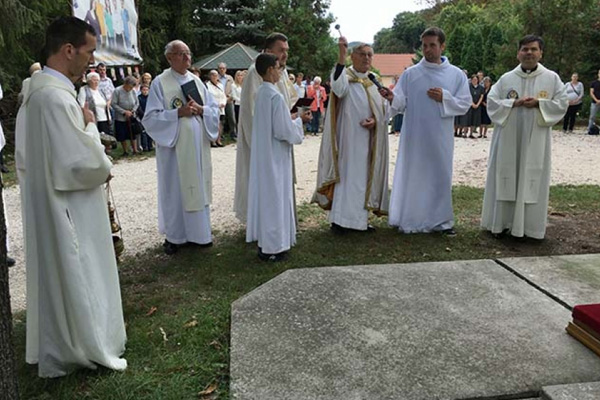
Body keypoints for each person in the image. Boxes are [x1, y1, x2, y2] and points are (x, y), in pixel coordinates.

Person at [21, 16, 127, 378]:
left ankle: (70, 339)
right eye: (89, 52)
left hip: (54, 202)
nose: (91, 61)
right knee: (80, 270)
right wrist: (91, 127)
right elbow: (80, 164)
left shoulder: (38, 92)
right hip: (70, 206)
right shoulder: (54, 99)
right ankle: (87, 344)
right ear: (68, 50)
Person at [379, 27, 471, 235]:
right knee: (415, 174)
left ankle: (441, 221)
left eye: (432, 45)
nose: (428, 50)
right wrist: (392, 98)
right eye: (425, 46)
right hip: (415, 135)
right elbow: (401, 102)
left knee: (440, 174)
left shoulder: (456, 75)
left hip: (440, 136)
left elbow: (465, 104)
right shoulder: (411, 74)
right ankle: (411, 218)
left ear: (442, 46)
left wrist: (445, 98)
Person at [481, 35, 568, 240]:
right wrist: (514, 103)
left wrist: (539, 103)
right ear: (518, 52)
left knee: (532, 175)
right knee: (506, 174)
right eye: (525, 49)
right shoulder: (506, 78)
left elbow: (562, 102)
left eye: (533, 49)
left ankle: (530, 228)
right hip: (508, 139)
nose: (529, 53)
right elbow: (492, 102)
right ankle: (501, 224)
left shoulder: (552, 78)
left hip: (536, 140)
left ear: (540, 53)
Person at [142, 40, 220, 255]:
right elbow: (150, 118)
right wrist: (178, 113)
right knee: (177, 190)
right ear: (169, 58)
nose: (187, 58)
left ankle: (200, 235)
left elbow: (213, 109)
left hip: (198, 147)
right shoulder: (160, 82)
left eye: (188, 53)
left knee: (198, 187)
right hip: (175, 150)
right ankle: (176, 237)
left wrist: (201, 109)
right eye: (181, 54)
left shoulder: (196, 81)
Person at [312, 38, 390, 233]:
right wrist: (340, 56)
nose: (366, 58)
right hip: (348, 139)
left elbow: (384, 107)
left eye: (369, 55)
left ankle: (360, 221)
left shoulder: (373, 80)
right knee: (347, 178)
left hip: (369, 140)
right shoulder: (345, 75)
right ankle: (339, 221)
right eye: (362, 54)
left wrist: (376, 120)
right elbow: (338, 88)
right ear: (352, 56)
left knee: (364, 179)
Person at [246, 54, 309, 261]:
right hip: (275, 157)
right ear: (270, 70)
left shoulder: (262, 93)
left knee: (269, 199)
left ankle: (267, 243)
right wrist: (299, 120)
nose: (280, 71)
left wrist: (289, 118)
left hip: (266, 153)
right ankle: (274, 247)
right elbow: (283, 131)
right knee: (275, 199)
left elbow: (275, 122)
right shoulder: (275, 96)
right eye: (278, 67)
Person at [234, 32, 298, 223]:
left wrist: (290, 115)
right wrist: (262, 144)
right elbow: (252, 111)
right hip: (266, 141)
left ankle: (283, 219)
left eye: (286, 50)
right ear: (269, 50)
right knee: (266, 181)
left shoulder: (280, 69)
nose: (285, 55)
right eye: (281, 50)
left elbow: (288, 98)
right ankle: (264, 222)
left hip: (280, 133)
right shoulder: (257, 71)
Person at [77, 71, 112, 152]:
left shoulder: (100, 90)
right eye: (94, 80)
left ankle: (107, 152)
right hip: (93, 118)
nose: (96, 82)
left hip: (104, 117)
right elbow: (82, 105)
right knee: (96, 137)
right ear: (89, 81)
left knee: (106, 137)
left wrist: (109, 116)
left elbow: (106, 103)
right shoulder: (84, 90)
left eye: (97, 80)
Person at [111, 75, 140, 155]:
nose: (130, 89)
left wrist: (133, 111)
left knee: (133, 133)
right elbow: (113, 104)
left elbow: (137, 102)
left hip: (131, 115)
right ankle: (125, 151)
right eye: (130, 87)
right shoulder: (117, 91)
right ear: (126, 84)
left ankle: (135, 150)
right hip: (121, 117)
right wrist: (124, 112)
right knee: (122, 134)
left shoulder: (133, 91)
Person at [207, 69, 227, 147]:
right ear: (210, 76)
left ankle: (219, 139)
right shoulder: (208, 85)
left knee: (220, 124)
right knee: (214, 124)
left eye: (216, 75)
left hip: (221, 108)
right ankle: (213, 141)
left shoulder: (220, 85)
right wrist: (217, 104)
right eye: (213, 75)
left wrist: (223, 103)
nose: (215, 77)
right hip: (214, 107)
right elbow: (210, 97)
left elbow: (223, 95)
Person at [218, 62, 237, 141]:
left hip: (229, 100)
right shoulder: (216, 77)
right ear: (218, 69)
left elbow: (234, 88)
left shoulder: (230, 78)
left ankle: (233, 134)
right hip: (220, 101)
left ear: (226, 69)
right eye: (220, 68)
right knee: (221, 119)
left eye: (223, 68)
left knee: (232, 118)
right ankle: (220, 135)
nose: (222, 70)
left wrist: (230, 96)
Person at [137, 84, 153, 151]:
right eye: (144, 90)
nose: (145, 91)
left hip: (150, 116)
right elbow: (138, 107)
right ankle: (145, 146)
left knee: (150, 132)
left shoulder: (151, 98)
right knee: (143, 132)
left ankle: (150, 145)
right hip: (142, 117)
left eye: (147, 90)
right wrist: (143, 114)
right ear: (141, 90)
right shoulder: (139, 98)